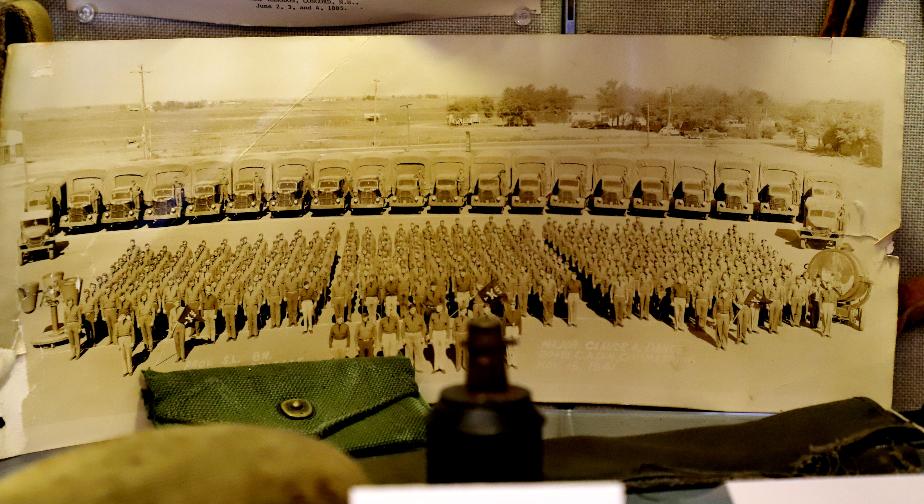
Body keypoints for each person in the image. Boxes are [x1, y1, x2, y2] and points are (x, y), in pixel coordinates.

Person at [429, 304, 453, 373]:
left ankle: (442, 367)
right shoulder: (433, 315)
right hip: (435, 333)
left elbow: (448, 326)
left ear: (442, 308)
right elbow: (430, 326)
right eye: (437, 307)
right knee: (436, 350)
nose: (438, 308)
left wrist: (448, 336)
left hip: (443, 333)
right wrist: (430, 336)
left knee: (442, 350)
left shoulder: (446, 315)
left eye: (439, 307)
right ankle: (436, 367)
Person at [115, 309, 136, 376]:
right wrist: (117, 344)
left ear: (126, 316)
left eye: (124, 315)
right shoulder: (117, 324)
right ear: (119, 316)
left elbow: (133, 333)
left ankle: (130, 370)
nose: (123, 316)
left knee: (129, 355)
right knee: (122, 356)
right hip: (120, 340)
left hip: (128, 339)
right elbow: (115, 335)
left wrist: (133, 342)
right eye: (121, 315)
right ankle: (125, 371)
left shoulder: (130, 323)